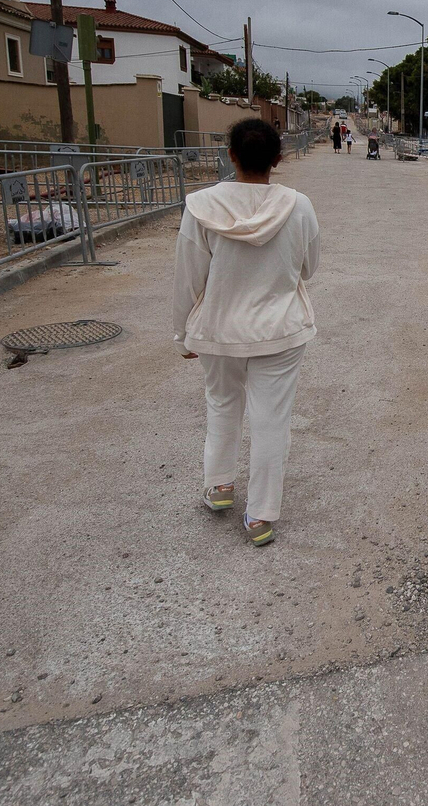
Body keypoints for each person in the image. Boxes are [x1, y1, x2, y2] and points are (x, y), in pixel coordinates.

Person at [172, 118, 320, 547]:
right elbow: (310, 268)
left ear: (230, 155)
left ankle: (219, 488)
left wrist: (181, 336)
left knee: (221, 403)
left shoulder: (201, 205)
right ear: (278, 158)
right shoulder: (300, 206)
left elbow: (188, 278)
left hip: (218, 329)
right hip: (280, 330)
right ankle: (260, 517)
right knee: (272, 420)